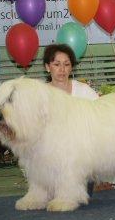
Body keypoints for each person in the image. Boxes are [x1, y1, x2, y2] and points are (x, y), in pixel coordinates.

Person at [43, 43, 101, 193]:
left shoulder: (84, 91)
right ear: (47, 67)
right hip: (50, 165)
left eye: (66, 64)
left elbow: (101, 119)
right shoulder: (40, 96)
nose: (62, 69)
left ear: (71, 67)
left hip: (82, 163)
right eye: (56, 64)